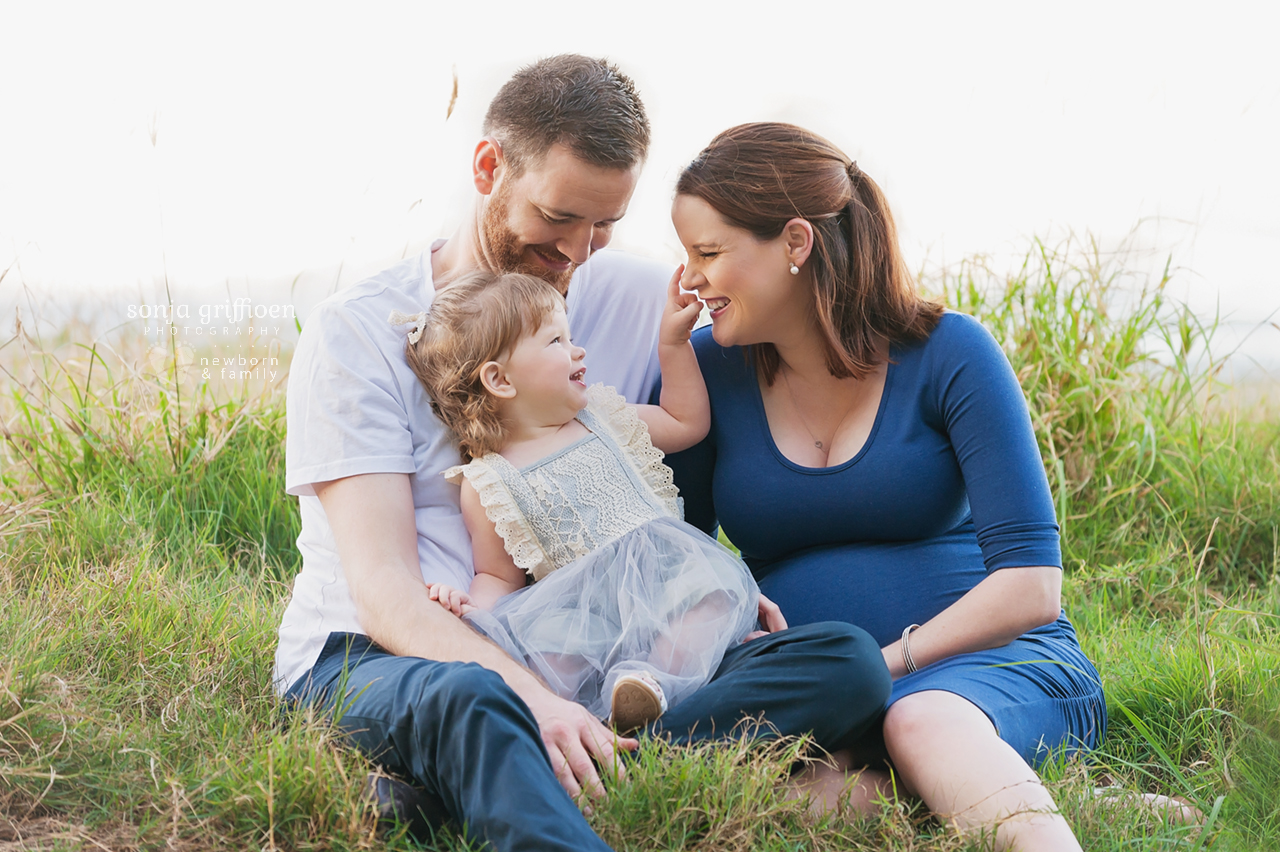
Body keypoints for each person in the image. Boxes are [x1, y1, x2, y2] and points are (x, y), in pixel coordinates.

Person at [274, 58, 890, 852]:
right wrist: (531, 694)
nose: (576, 252)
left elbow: (772, 300)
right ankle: (543, 782)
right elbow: (388, 596)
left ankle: (490, 780)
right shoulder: (358, 333)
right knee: (475, 700)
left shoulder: (628, 296)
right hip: (381, 656)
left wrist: (712, 598)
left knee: (844, 661)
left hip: (595, 662)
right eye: (559, 216)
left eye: (603, 224)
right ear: (489, 167)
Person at [665, 122, 1107, 852]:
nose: (690, 279)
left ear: (796, 244)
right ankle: (1000, 784)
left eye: (708, 253)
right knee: (794, 796)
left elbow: (1032, 585)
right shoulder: (705, 371)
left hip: (989, 664)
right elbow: (680, 562)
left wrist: (888, 662)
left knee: (922, 722)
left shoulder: (949, 353)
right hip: (825, 696)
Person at [402, 269, 759, 732]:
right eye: (556, 342)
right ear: (499, 380)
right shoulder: (491, 481)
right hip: (578, 614)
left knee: (708, 596)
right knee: (551, 658)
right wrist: (472, 614)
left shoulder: (604, 418)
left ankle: (646, 683)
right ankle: (584, 716)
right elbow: (497, 575)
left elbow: (685, 422)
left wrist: (673, 345)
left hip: (664, 579)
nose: (578, 350)